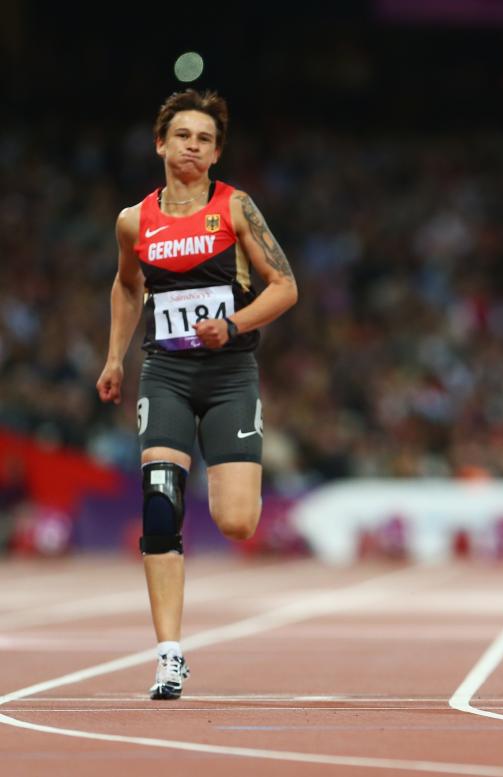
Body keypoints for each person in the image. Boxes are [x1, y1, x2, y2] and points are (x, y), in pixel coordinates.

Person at [96, 89, 298, 698]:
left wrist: (234, 325)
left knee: (236, 521)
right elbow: (128, 287)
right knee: (160, 506)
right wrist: (113, 358)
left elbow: (285, 287)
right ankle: (169, 654)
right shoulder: (135, 220)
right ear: (161, 143)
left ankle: (176, 635)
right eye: (183, 135)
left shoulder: (235, 209)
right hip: (166, 373)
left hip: (231, 373)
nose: (193, 146)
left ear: (215, 154)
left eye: (205, 139)